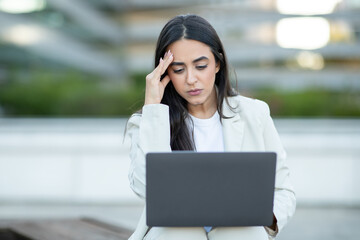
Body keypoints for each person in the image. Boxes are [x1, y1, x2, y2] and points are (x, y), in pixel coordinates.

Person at [126, 14, 296, 240]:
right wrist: (153, 110)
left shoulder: (254, 114)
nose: (191, 79)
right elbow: (145, 187)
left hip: (238, 230)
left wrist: (263, 216)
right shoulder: (148, 121)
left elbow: (283, 191)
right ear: (164, 72)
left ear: (217, 63)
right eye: (178, 70)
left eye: (201, 66)